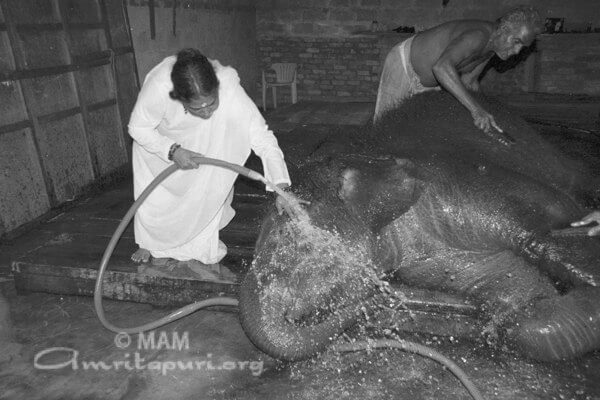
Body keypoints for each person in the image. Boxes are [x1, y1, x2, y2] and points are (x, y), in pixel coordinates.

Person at [128, 48, 302, 278]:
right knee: (157, 201)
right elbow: (137, 128)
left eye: (212, 103)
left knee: (205, 189)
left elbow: (263, 138)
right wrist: (171, 150)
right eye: (198, 107)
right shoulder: (159, 86)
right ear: (180, 99)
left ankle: (196, 237)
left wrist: (281, 186)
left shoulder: (228, 87)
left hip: (206, 142)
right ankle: (150, 243)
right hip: (160, 146)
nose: (207, 111)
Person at [374, 6, 544, 145]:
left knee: (417, 134)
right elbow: (441, 68)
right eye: (516, 42)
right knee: (385, 128)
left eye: (522, 47)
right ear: (505, 30)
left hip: (428, 84)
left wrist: (487, 114)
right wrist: (477, 110)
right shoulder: (477, 36)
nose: (517, 51)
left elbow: (469, 82)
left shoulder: (492, 49)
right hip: (404, 64)